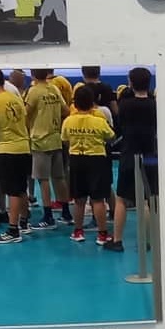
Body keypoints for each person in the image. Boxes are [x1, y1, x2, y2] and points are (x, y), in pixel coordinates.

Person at [62, 85, 117, 249]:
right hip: (97, 160)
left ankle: (78, 232)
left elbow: (65, 140)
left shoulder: (68, 121)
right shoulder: (99, 121)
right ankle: (102, 234)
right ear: (93, 102)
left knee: (79, 199)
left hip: (76, 160)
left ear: (75, 103)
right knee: (98, 199)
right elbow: (111, 137)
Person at [110, 66, 157, 247]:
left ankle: (117, 240)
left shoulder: (125, 105)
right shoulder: (154, 104)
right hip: (150, 155)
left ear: (131, 82)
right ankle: (147, 241)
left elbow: (120, 124)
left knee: (122, 199)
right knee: (148, 199)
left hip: (129, 154)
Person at [0, 68, 31, 244]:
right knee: (21, 188)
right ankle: (24, 222)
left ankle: (13, 229)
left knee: (12, 190)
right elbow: (25, 121)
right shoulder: (16, 98)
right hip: (23, 146)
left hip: (7, 149)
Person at [26, 66, 67, 229]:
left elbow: (25, 113)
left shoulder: (34, 91)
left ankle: (48, 216)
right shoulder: (54, 89)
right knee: (59, 177)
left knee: (43, 180)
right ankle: (66, 213)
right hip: (55, 138)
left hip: (40, 141)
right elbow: (65, 110)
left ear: (32, 75)